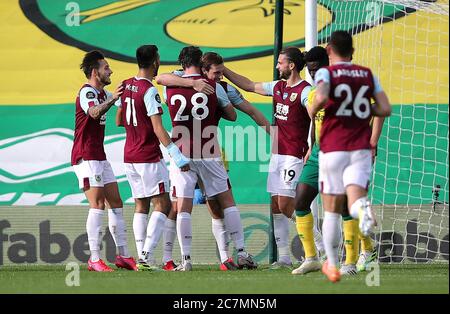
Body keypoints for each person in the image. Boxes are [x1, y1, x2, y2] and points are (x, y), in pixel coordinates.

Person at [157, 51, 266, 270]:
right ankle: (242, 251)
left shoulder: (170, 86)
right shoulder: (215, 87)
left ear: (182, 64)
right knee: (227, 201)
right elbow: (232, 115)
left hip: (181, 150)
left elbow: (161, 77)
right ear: (201, 64)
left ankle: (186, 260)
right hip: (209, 150)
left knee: (183, 206)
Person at [308, 31, 391, 282]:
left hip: (333, 147)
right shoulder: (368, 74)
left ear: (330, 51)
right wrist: (363, 107)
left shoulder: (326, 73)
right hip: (361, 148)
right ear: (352, 51)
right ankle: (363, 210)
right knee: (354, 199)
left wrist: (312, 110)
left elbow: (321, 97)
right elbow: (385, 108)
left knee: (331, 209)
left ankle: (332, 265)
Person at [224, 47, 312, 269]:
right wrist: (224, 70)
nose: (277, 66)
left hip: (294, 154)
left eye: (280, 62)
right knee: (275, 205)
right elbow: (249, 86)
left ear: (291, 66)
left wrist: (312, 145)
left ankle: (318, 243)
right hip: (277, 153)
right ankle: (283, 257)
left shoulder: (305, 91)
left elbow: (317, 119)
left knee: (286, 204)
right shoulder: (278, 87)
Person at [115, 45, 190, 271]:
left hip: (129, 156)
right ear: (155, 61)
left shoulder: (126, 84)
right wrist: (176, 154)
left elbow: (119, 121)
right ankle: (146, 257)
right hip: (147, 155)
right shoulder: (149, 91)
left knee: (141, 204)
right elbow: (158, 128)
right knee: (163, 203)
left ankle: (142, 256)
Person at [71, 50, 134, 272]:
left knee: (116, 203)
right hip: (85, 156)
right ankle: (94, 259)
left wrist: (130, 99)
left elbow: (122, 110)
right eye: (106, 68)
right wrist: (114, 98)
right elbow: (94, 113)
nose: (110, 71)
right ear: (95, 72)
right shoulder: (88, 92)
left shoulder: (104, 93)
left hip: (99, 155)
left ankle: (123, 256)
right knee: (97, 204)